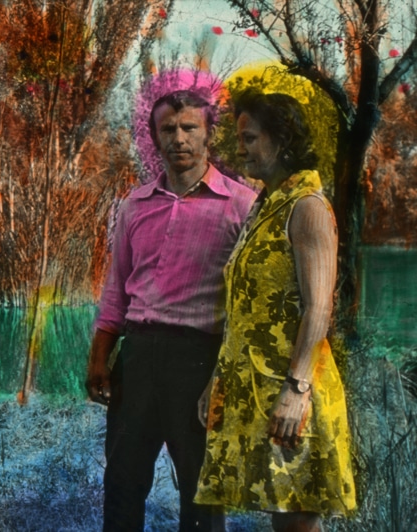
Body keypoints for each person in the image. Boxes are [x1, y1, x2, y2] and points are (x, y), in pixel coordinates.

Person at [86, 89, 257, 531]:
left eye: (189, 128)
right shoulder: (134, 205)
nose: (179, 138)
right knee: (122, 481)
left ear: (208, 134)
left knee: (201, 491)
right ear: (155, 137)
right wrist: (100, 357)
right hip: (138, 357)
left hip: (199, 360)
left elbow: (248, 305)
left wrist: (225, 376)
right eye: (168, 129)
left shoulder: (242, 206)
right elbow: (116, 290)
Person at [194, 90, 357, 531]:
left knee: (297, 520)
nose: (240, 149)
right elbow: (245, 309)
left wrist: (296, 390)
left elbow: (318, 309)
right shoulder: (266, 205)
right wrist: (218, 377)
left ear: (281, 140)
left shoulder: (307, 207)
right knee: (280, 516)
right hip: (259, 388)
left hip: (294, 389)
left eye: (249, 138)